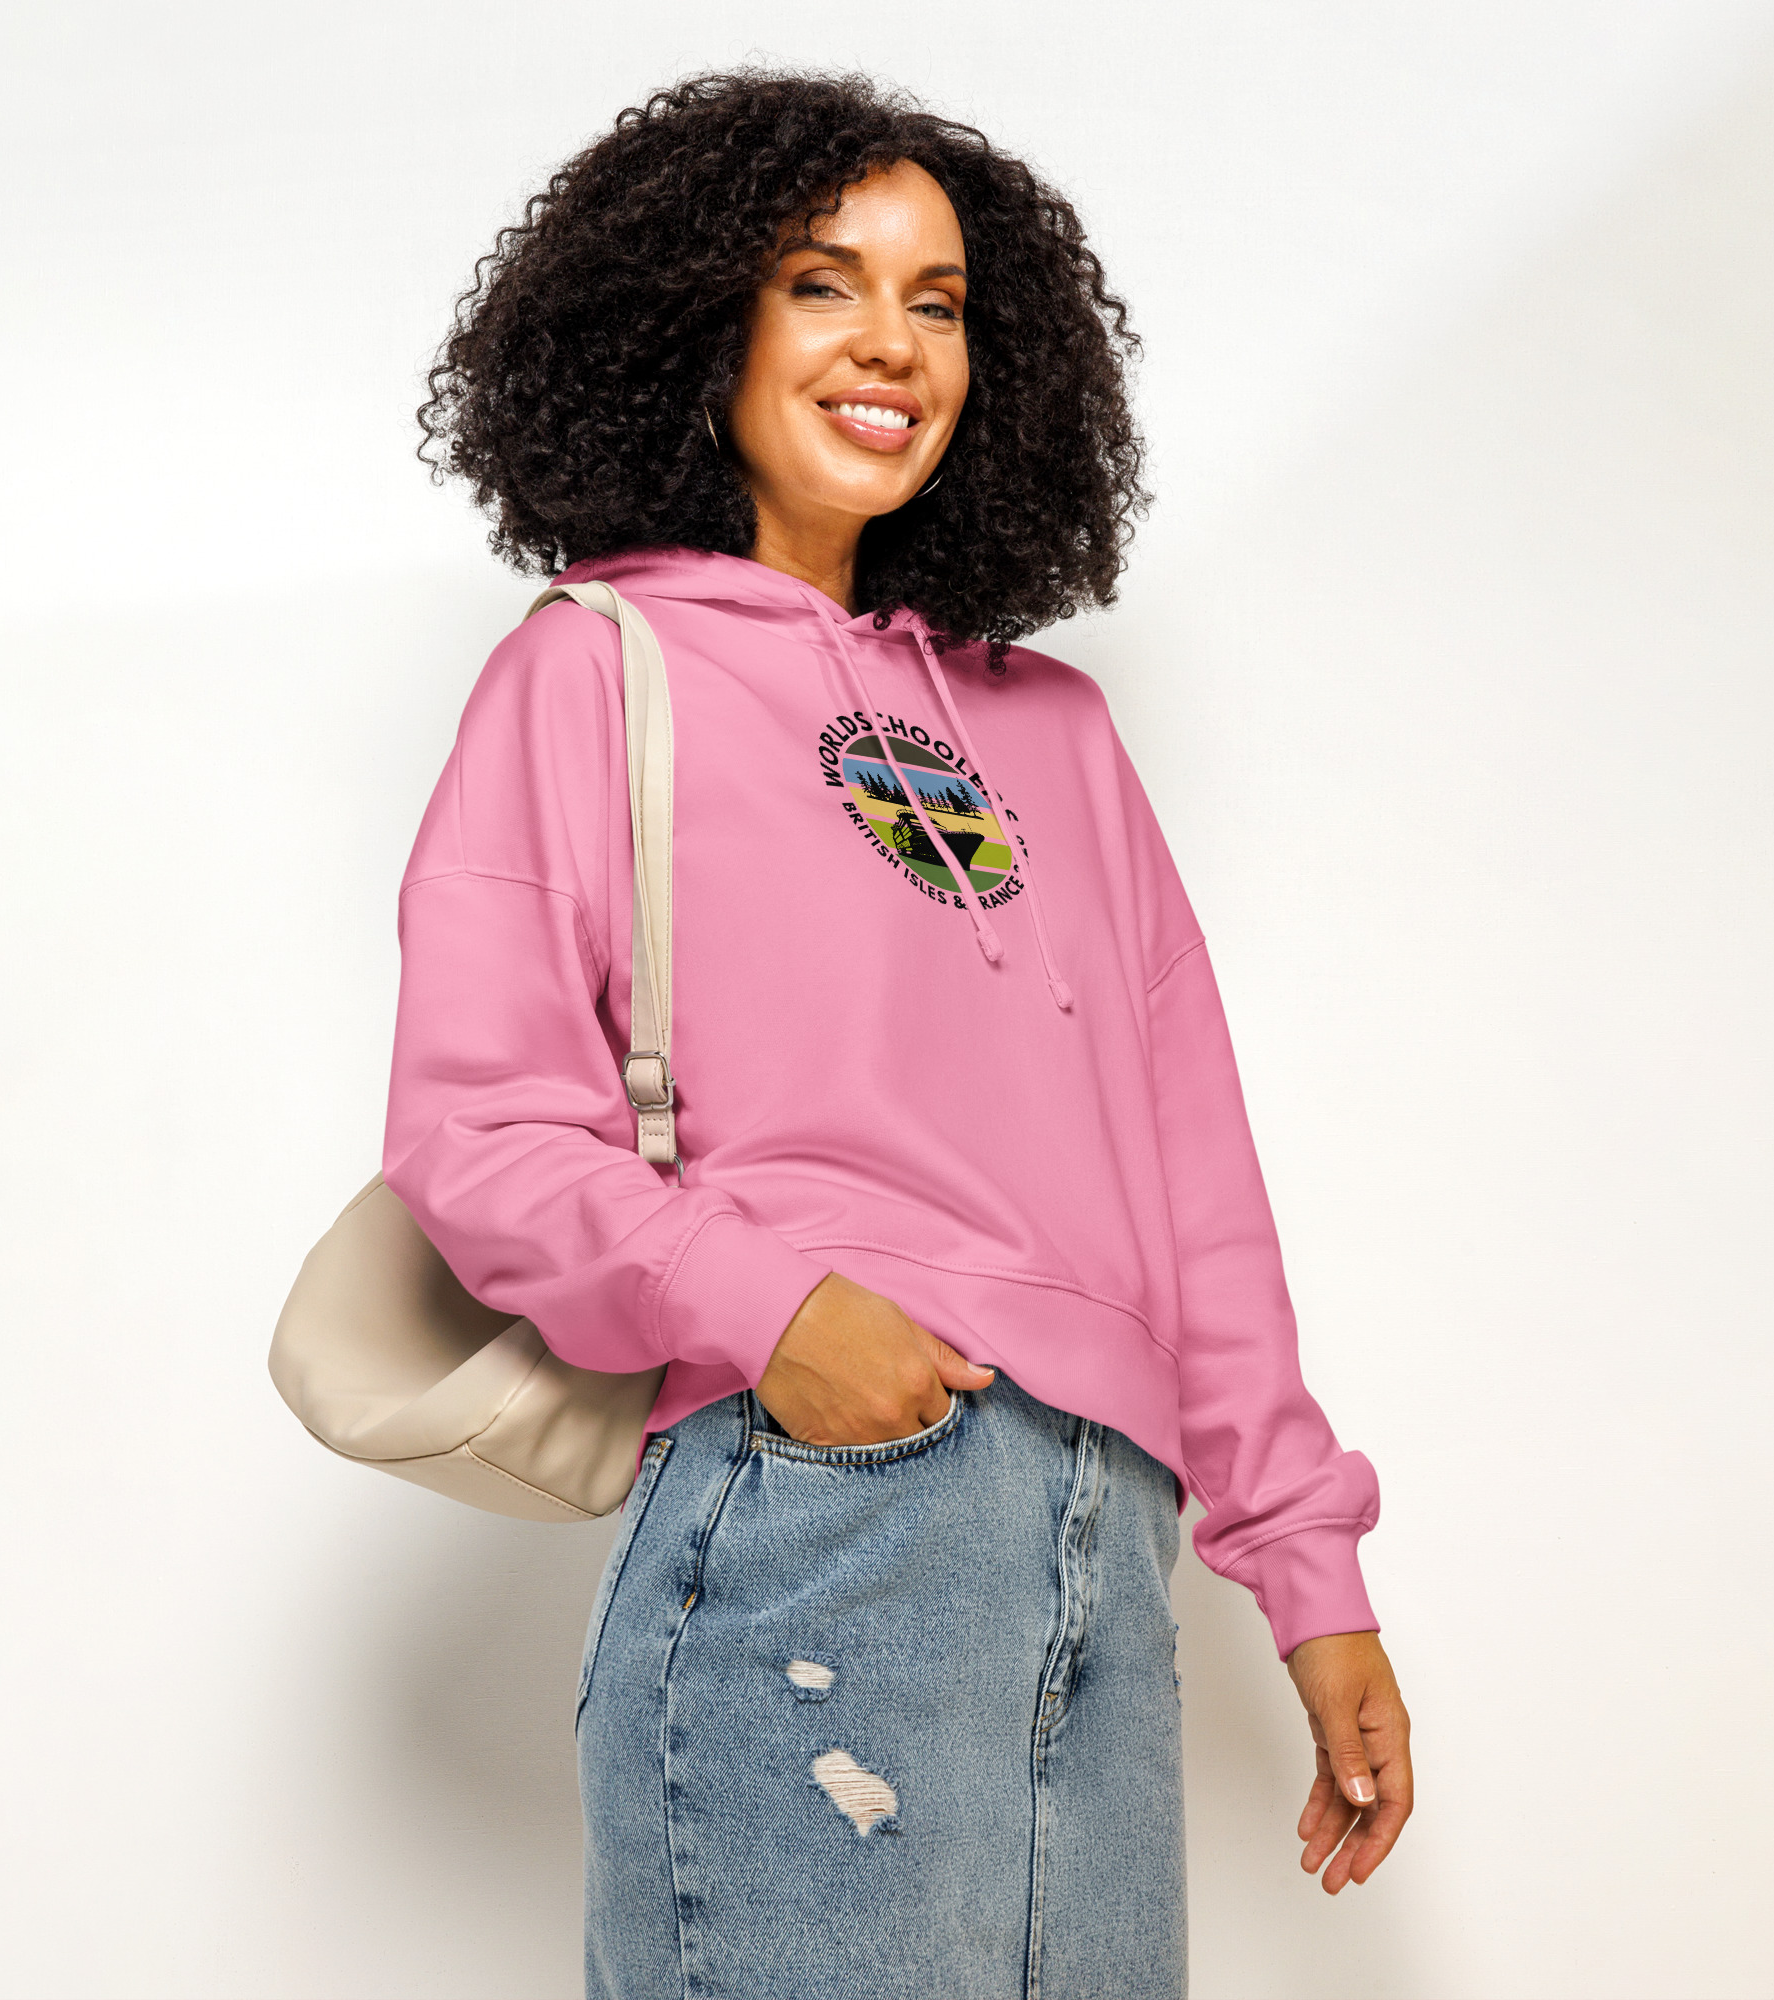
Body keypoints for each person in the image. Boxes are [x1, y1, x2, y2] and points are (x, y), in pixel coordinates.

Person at [386, 69, 1411, 1999]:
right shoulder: (594, 673)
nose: (891, 345)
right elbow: (480, 1134)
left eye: (936, 302)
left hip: (1107, 1545)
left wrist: (1308, 1570)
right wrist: (784, 1311)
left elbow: (1196, 1186)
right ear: (697, 325)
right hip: (820, 1512)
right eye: (821, 284)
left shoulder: (1056, 734)